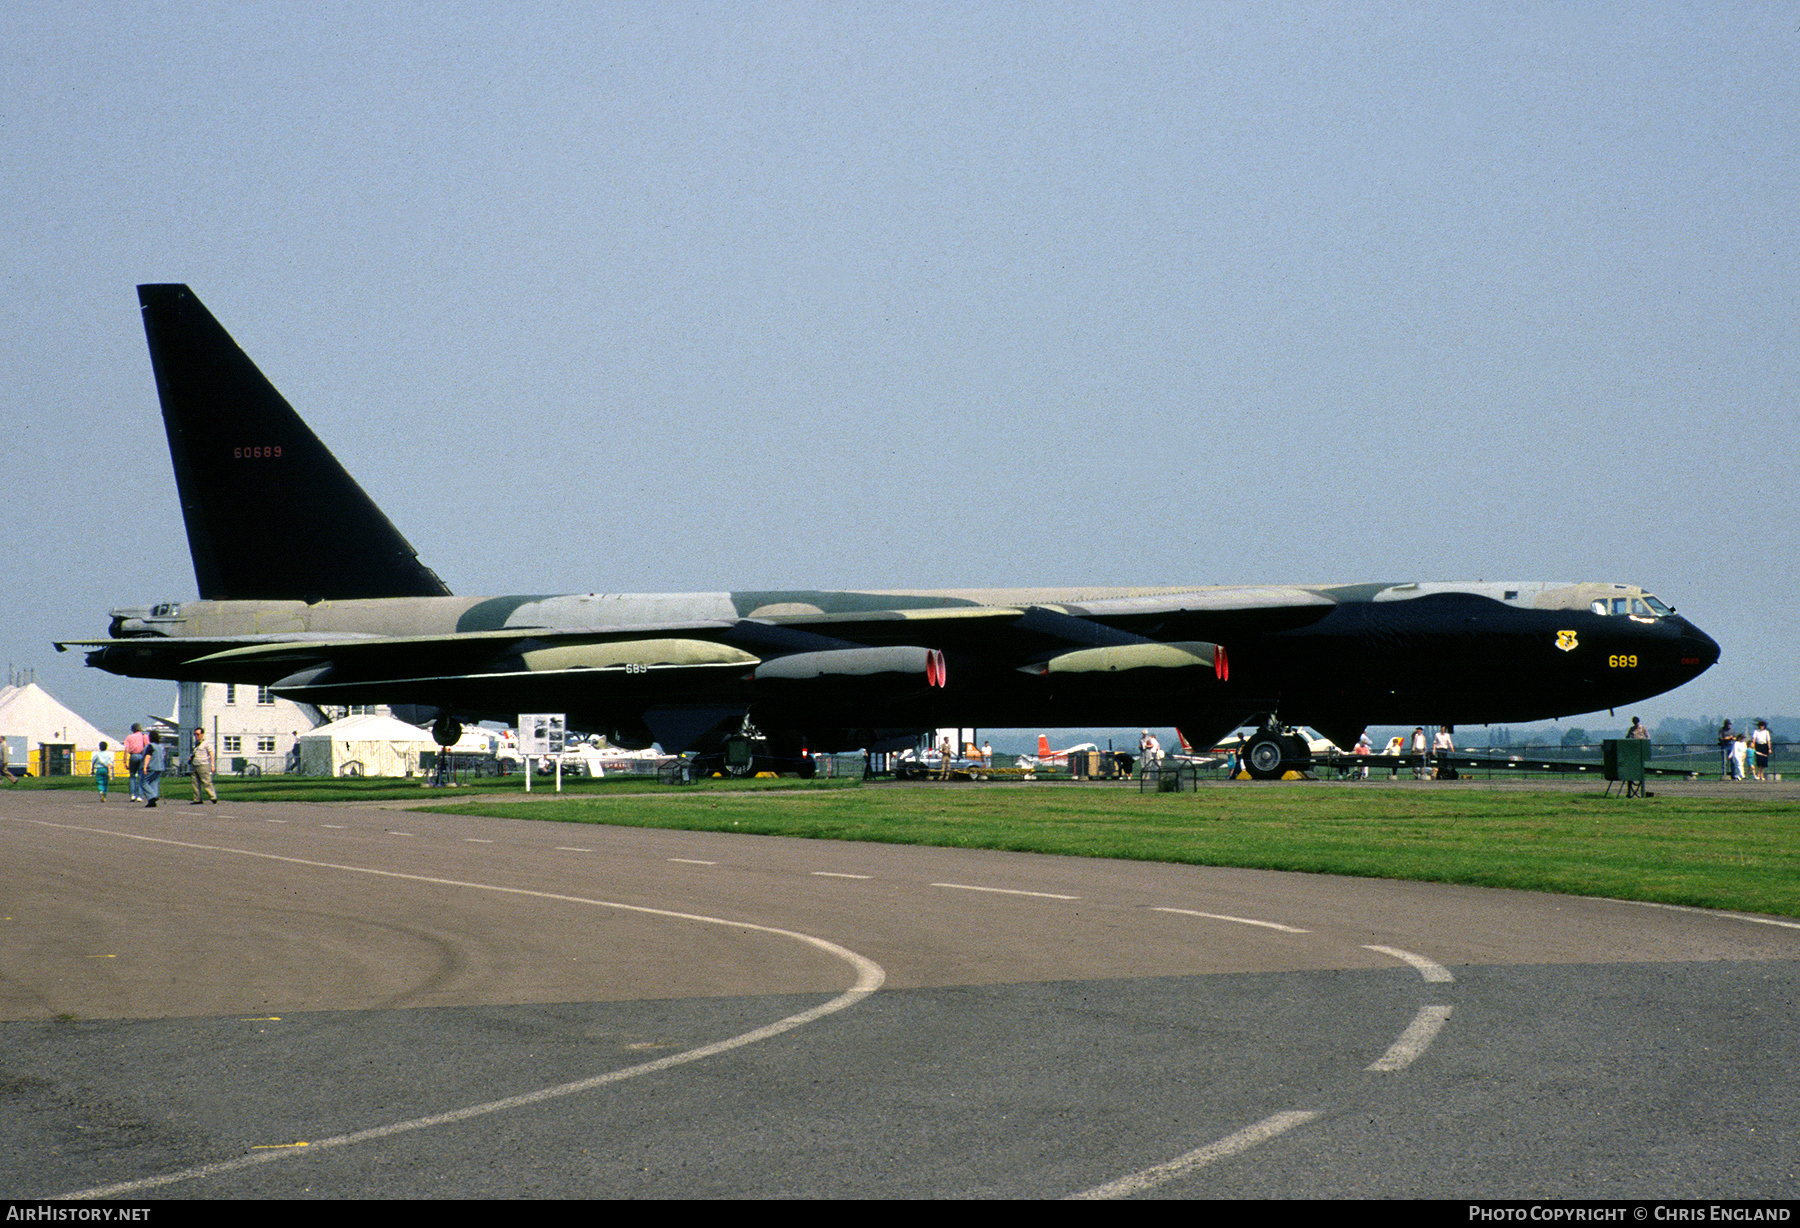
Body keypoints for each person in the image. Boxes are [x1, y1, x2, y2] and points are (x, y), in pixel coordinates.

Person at [190, 728, 218, 804]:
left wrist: (212, 765)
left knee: (206, 781)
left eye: (198, 734)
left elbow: (211, 754)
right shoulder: (195, 744)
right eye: (195, 734)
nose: (196, 736)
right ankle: (197, 799)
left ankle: (213, 796)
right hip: (195, 764)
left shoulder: (206, 743)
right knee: (195, 782)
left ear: (202, 734)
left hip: (203, 764)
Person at [142, 734, 167, 807]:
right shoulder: (161, 746)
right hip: (160, 767)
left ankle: (152, 796)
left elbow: (148, 756)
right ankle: (153, 799)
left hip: (152, 766)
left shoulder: (151, 746)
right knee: (154, 782)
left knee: (143, 782)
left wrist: (145, 767)